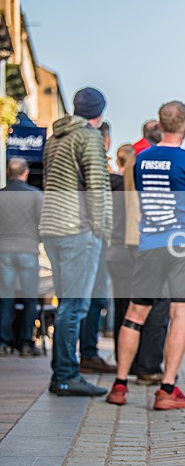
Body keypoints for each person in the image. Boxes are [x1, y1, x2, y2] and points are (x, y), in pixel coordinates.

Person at [106, 101, 185, 409]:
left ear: (161, 124)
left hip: (149, 243)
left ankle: (119, 385)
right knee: (180, 315)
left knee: (134, 314)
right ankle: (166, 390)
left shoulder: (140, 160)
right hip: (180, 245)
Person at [40, 87, 112, 396]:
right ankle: (67, 376)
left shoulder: (54, 139)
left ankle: (61, 374)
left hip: (52, 228)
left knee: (65, 302)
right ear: (100, 112)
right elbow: (96, 186)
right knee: (75, 304)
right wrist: (101, 229)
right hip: (77, 230)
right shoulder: (89, 136)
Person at [105, 143, 170, 385]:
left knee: (123, 309)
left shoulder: (108, 187)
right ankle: (148, 366)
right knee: (152, 305)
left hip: (113, 253)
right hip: (135, 249)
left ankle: (127, 364)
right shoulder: (134, 187)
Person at [78, 120, 116, 374]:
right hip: (92, 235)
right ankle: (88, 354)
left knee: (81, 298)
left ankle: (79, 356)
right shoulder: (95, 162)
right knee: (93, 298)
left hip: (78, 234)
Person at [0, 157, 43, 356]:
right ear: (25, 172)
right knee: (29, 299)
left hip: (4, 251)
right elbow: (43, 223)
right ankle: (26, 343)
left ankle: (3, 343)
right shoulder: (35, 196)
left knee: (5, 299)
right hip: (28, 249)